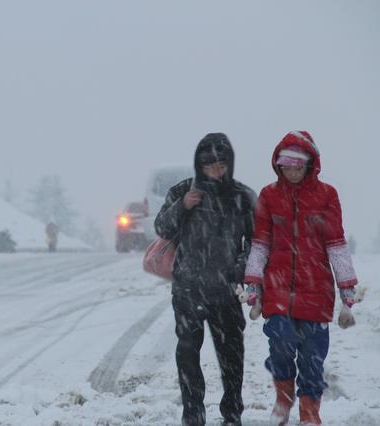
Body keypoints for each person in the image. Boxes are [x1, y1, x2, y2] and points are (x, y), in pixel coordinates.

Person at [240, 131, 360, 426]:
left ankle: (310, 412)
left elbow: (336, 244)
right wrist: (253, 280)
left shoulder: (327, 195)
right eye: (286, 166)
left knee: (312, 357)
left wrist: (347, 286)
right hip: (278, 288)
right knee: (280, 341)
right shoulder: (269, 196)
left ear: (309, 164)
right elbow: (260, 243)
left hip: (316, 290)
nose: (291, 171)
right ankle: (283, 398)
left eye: (297, 165)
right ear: (278, 166)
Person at [154, 132, 256, 426]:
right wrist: (182, 206)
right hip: (188, 290)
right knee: (187, 355)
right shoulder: (182, 192)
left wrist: (239, 269)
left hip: (226, 291)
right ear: (198, 164)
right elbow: (162, 227)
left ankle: (232, 414)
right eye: (208, 164)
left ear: (230, 163)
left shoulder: (242, 196)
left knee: (232, 357)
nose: (215, 169)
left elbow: (257, 242)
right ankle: (193, 415)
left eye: (221, 164)